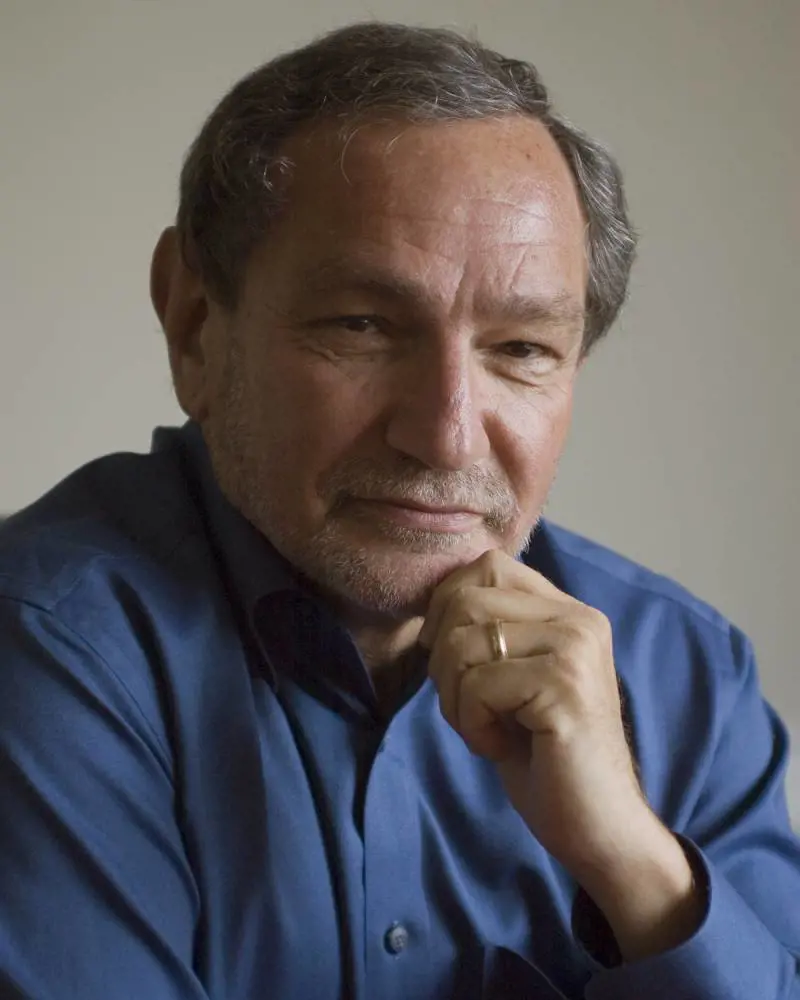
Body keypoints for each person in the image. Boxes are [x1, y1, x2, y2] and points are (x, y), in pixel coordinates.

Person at [0, 21, 797, 1000]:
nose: (447, 437)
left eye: (520, 349)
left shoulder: (688, 677)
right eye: (364, 326)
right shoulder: (47, 647)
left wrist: (631, 862)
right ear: (196, 326)